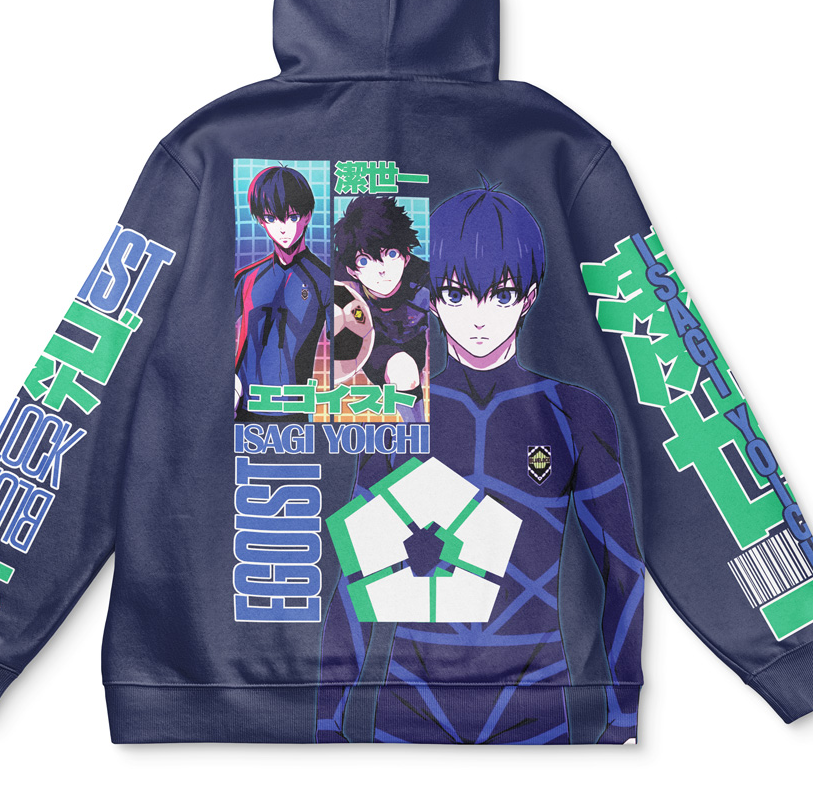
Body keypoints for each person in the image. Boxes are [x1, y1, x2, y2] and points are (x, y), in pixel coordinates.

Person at [316, 182, 645, 744]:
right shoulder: (402, 414)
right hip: (408, 704)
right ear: (432, 298)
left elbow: (621, 570)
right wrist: (326, 717)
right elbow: (356, 577)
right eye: (456, 294)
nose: (478, 318)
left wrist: (623, 715)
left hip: (538, 703)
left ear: (529, 297)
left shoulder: (574, 412)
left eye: (500, 295)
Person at [234, 165, 331, 422]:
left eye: (292, 217)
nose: (283, 228)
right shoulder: (247, 278)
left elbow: (347, 348)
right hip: (242, 405)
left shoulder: (324, 281)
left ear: (307, 216)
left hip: (293, 412)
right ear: (260, 221)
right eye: (272, 218)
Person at [333, 195, 430, 418]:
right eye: (365, 261)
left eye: (391, 254)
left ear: (406, 255)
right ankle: (416, 433)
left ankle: (419, 431)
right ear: (352, 270)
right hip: (372, 339)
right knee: (403, 370)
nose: (381, 269)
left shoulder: (426, 280)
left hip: (412, 338)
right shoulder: (339, 277)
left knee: (411, 373)